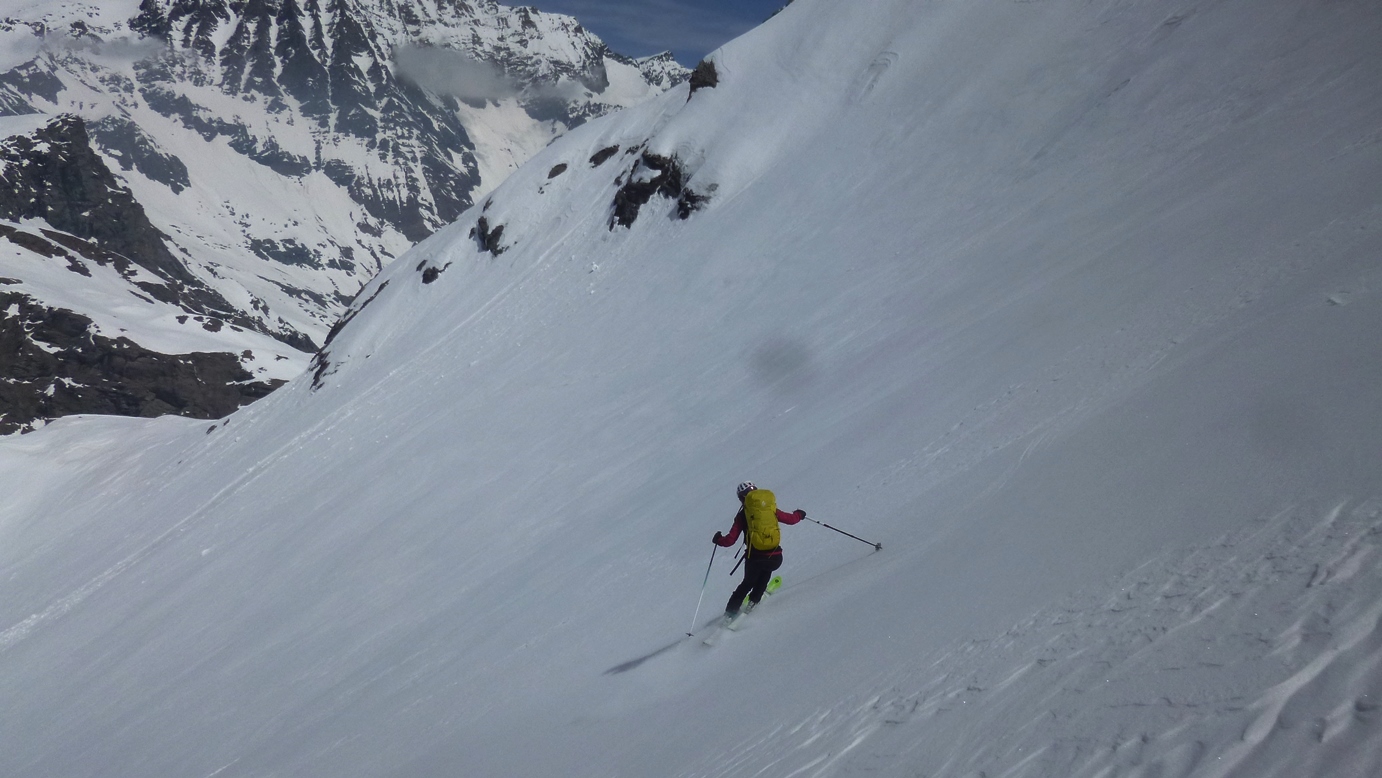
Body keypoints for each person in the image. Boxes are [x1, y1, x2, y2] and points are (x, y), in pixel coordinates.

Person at [712, 481, 805, 621]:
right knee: (764, 575)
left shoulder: (742, 516)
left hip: (755, 558)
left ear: (741, 498)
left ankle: (730, 614)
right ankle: (753, 602)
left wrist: (718, 539)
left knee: (747, 584)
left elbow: (730, 540)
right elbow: (791, 519)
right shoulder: (770, 508)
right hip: (775, 556)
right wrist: (799, 514)